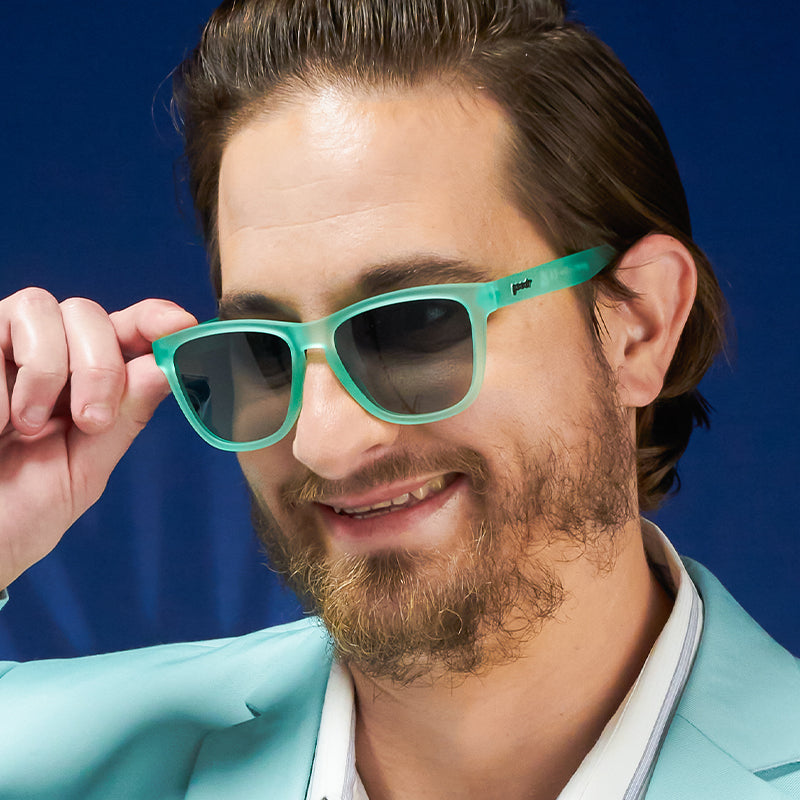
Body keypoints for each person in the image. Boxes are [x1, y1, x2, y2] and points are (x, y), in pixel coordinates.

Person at [1, 0, 798, 798]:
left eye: (417, 328)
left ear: (640, 326)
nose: (324, 441)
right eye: (260, 352)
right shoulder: (45, 759)